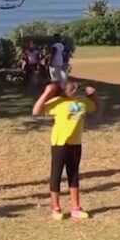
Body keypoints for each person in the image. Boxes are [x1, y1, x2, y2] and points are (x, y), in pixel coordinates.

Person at [32, 81, 100, 220]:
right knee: (56, 174)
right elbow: (36, 111)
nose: (74, 88)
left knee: (73, 174)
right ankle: (55, 208)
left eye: (75, 86)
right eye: (70, 87)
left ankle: (76, 207)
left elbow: (97, 109)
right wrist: (47, 93)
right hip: (59, 143)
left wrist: (94, 96)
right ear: (63, 90)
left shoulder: (82, 102)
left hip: (75, 143)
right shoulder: (57, 102)